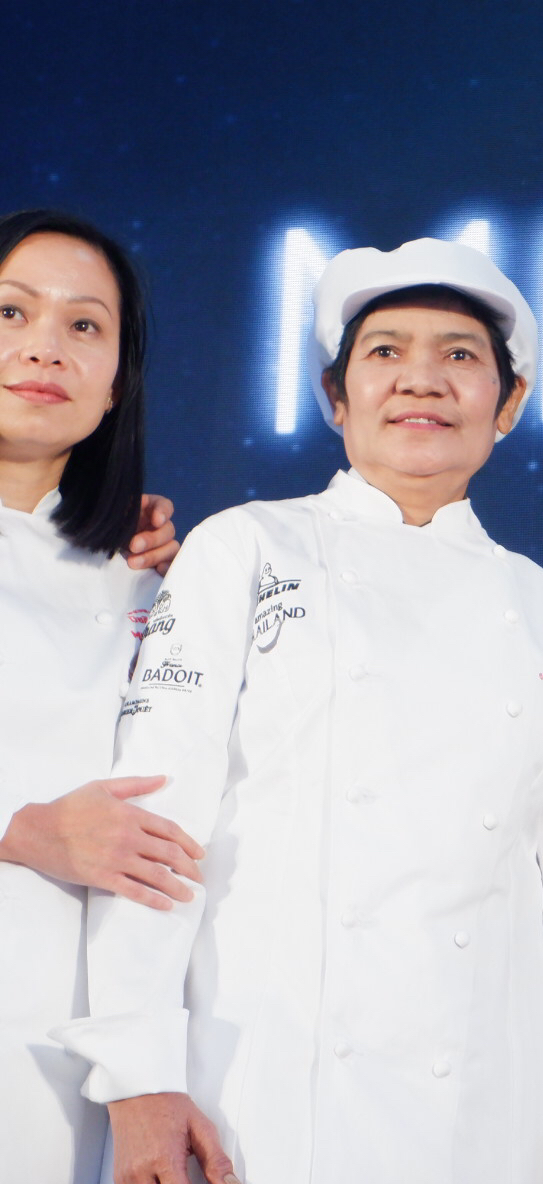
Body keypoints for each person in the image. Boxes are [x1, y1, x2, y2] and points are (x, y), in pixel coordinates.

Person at [55, 238, 543, 1184]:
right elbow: (153, 829)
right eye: (385, 352)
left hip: (494, 1124)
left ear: (508, 405)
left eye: (461, 355)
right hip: (256, 1107)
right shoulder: (244, 550)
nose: (422, 378)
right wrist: (139, 1084)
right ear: (336, 399)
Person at [0, 208, 198, 1184]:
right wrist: (20, 827)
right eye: (9, 311)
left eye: (85, 325)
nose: (43, 344)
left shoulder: (151, 581)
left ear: (117, 379)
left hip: (79, 1070)